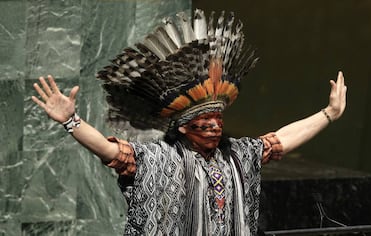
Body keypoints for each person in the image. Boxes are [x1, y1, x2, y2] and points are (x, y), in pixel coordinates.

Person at [31, 9, 346, 236]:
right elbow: (109, 151)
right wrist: (71, 120)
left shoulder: (238, 154)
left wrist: (328, 114)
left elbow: (280, 140)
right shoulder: (158, 158)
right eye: (204, 120)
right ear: (182, 126)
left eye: (218, 118)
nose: (214, 126)